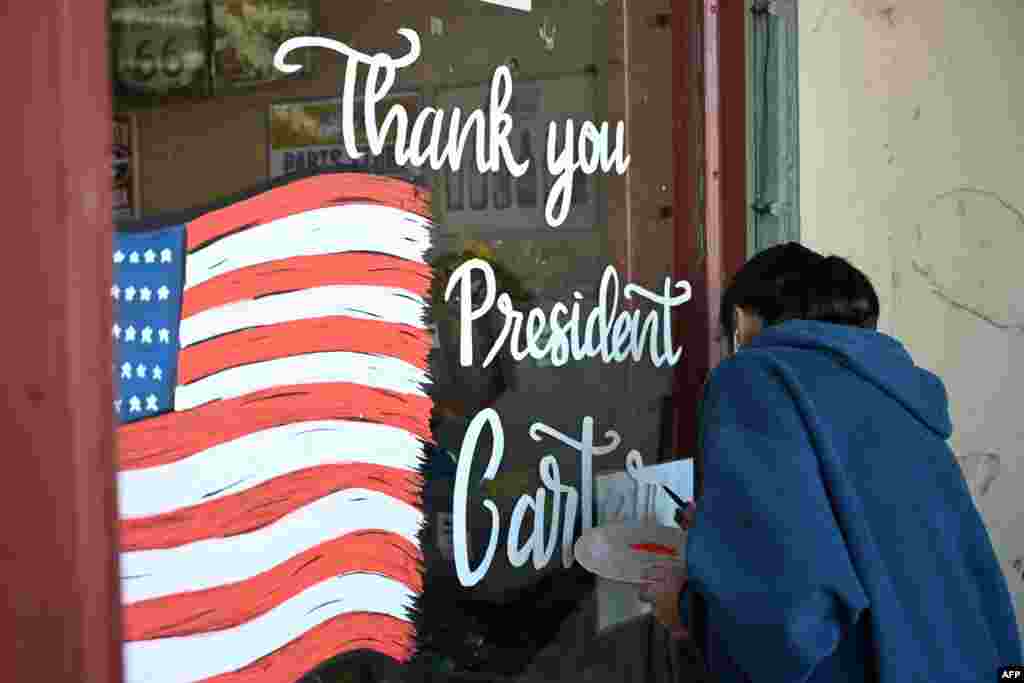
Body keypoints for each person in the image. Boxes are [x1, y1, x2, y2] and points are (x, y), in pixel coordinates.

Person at [640, 243, 1022, 681]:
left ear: (742, 321)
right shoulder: (896, 390)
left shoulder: (755, 376)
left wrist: (689, 608)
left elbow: (787, 612)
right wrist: (726, 538)